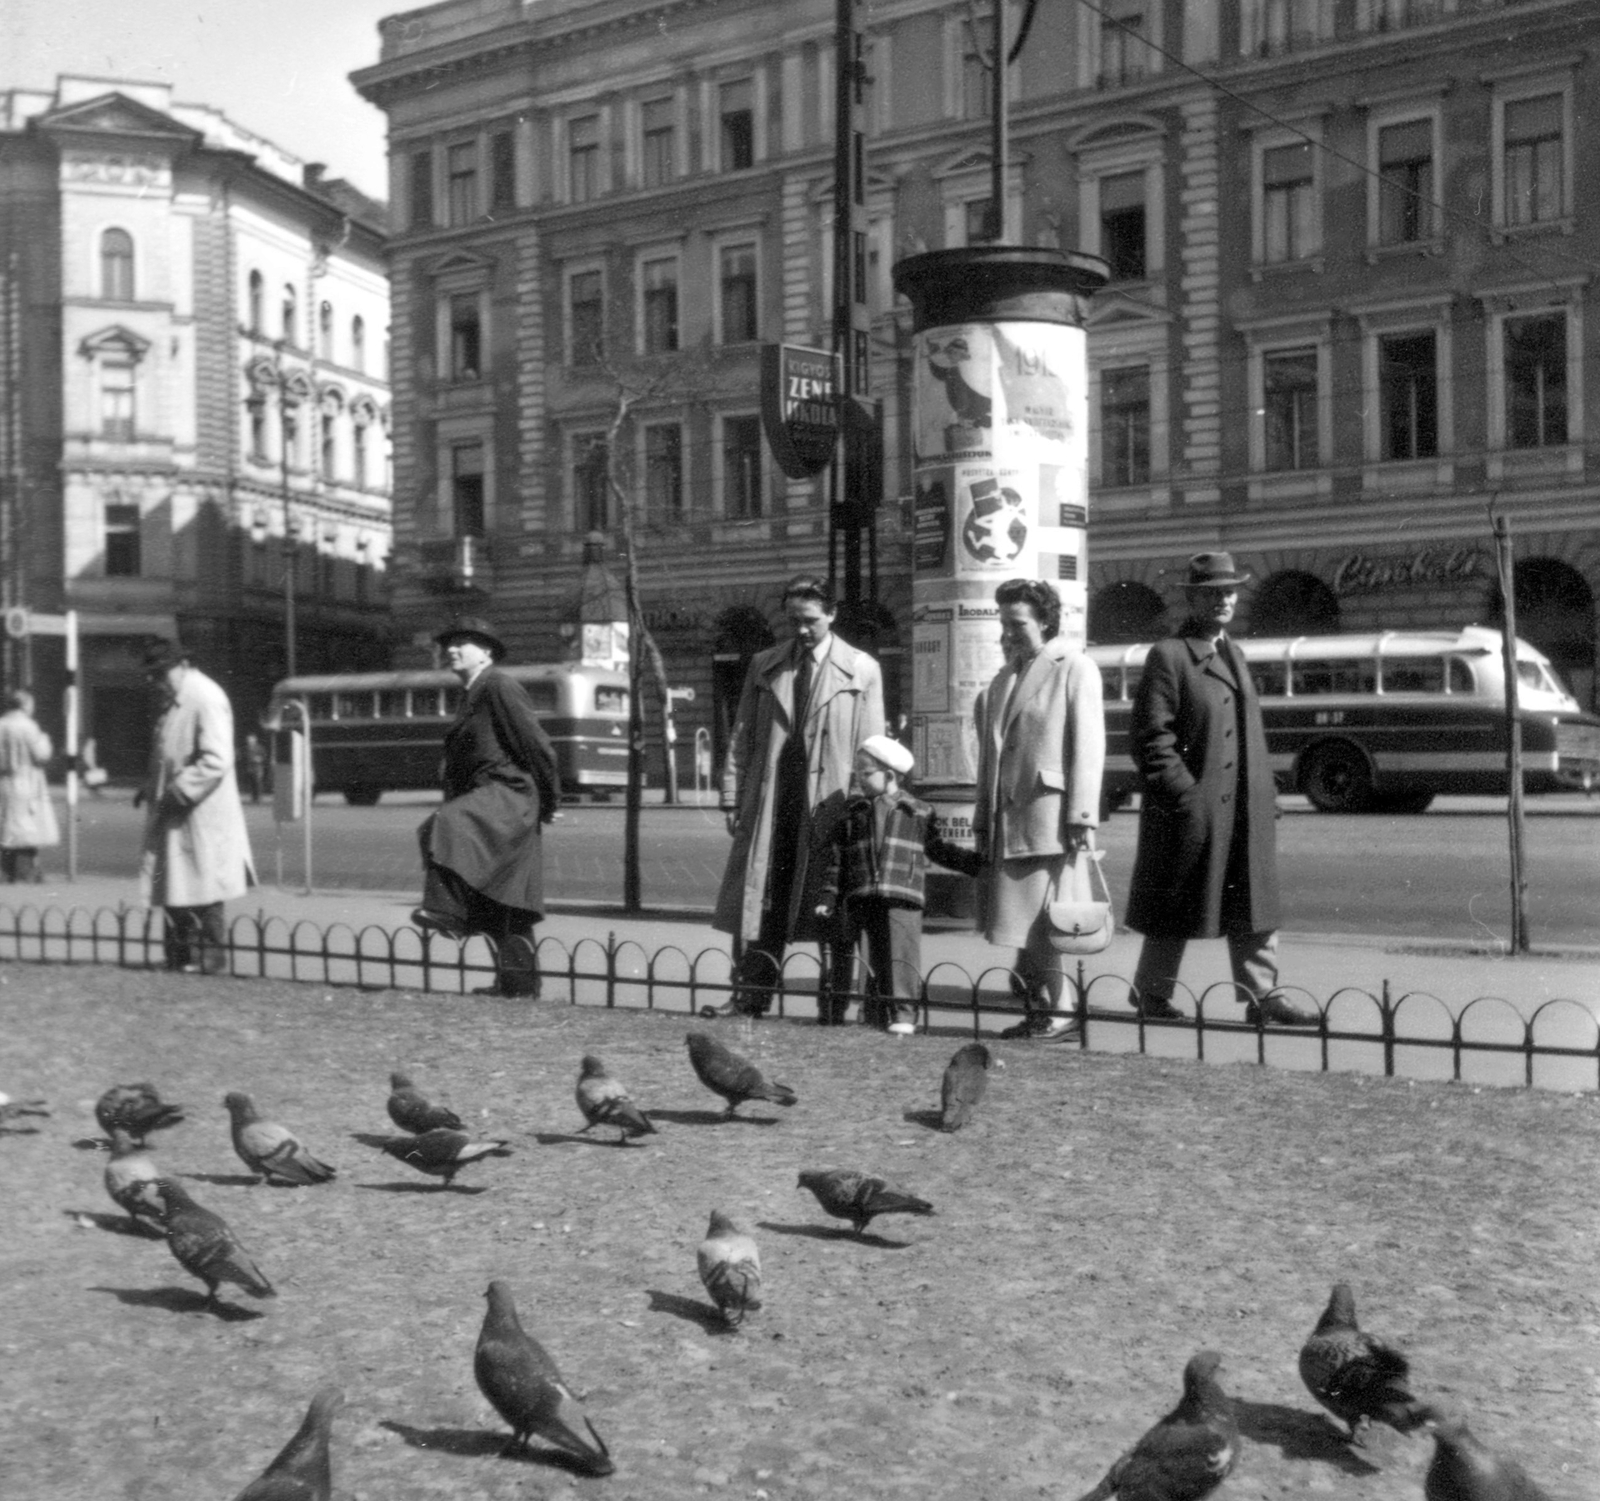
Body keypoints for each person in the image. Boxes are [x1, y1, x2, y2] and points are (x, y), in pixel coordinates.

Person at [1123, 552, 1316, 1027]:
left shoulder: (1235, 652)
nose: (1224, 599)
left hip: (1245, 806)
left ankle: (1264, 997)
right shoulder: (1170, 655)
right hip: (1196, 807)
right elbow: (1151, 738)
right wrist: (1185, 796)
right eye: (1212, 592)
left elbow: (1251, 731)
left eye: (1229, 591)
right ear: (1192, 598)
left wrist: (1267, 792)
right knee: (1176, 902)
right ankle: (1151, 994)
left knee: (1255, 901)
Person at [710, 574, 885, 1020]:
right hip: (774, 802)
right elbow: (744, 735)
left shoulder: (862, 669)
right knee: (764, 900)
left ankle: (835, 1004)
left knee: (830, 905)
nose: (801, 630)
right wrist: (732, 795)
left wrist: (867, 805)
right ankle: (751, 995)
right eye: (793, 621)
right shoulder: (765, 665)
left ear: (831, 614)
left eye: (810, 620)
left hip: (831, 807)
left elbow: (873, 746)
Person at [971, 578, 1105, 1041]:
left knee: (1046, 922)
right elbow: (991, 756)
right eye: (1003, 622)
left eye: (1018, 622)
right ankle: (1042, 1009)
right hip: (1008, 818)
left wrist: (1081, 817)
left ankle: (1062, 1012)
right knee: (1022, 924)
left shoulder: (1075, 667)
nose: (1007, 631)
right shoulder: (1003, 679)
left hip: (1049, 817)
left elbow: (1088, 748)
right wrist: (980, 816)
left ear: (1045, 621)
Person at [413, 615, 559, 998]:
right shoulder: (475, 691)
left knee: (445, 823)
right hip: (493, 797)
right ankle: (517, 985)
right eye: (448, 644)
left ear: (487, 652)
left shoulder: (499, 685)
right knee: (503, 898)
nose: (451, 650)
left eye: (463, 643)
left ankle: (447, 912)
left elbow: (537, 745)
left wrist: (550, 799)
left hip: (508, 795)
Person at [815, 735, 981, 1033]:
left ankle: (904, 1016)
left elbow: (937, 848)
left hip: (903, 896)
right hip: (864, 894)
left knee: (901, 958)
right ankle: (875, 1012)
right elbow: (837, 862)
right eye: (857, 774)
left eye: (866, 774)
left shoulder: (917, 811)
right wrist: (828, 898)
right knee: (874, 958)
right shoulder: (853, 814)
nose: (859, 780)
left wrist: (972, 863)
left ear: (890, 775)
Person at [138, 640, 255, 973]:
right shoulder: (178, 697)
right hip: (180, 812)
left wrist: (178, 790)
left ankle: (209, 959)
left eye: (160, 673)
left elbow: (217, 759)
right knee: (178, 883)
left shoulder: (205, 697)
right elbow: (170, 751)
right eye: (151, 675)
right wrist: (150, 785)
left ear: (183, 665)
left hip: (198, 813)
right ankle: (180, 956)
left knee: (202, 887)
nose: (154, 681)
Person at [0, 690, 59, 883]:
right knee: (26, 828)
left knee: (6, 826)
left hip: (4, 781)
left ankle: (6, 871)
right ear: (24, 705)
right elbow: (42, 754)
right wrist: (45, 739)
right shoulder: (28, 726)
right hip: (26, 781)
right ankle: (24, 872)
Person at [241, 734, 267, 805]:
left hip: (258, 767)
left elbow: (264, 756)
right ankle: (253, 798)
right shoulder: (246, 748)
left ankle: (259, 799)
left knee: (258, 783)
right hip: (250, 767)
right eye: (249, 740)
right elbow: (244, 757)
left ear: (255, 740)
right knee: (252, 783)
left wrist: (259, 759)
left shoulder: (260, 747)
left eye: (251, 739)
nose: (250, 741)